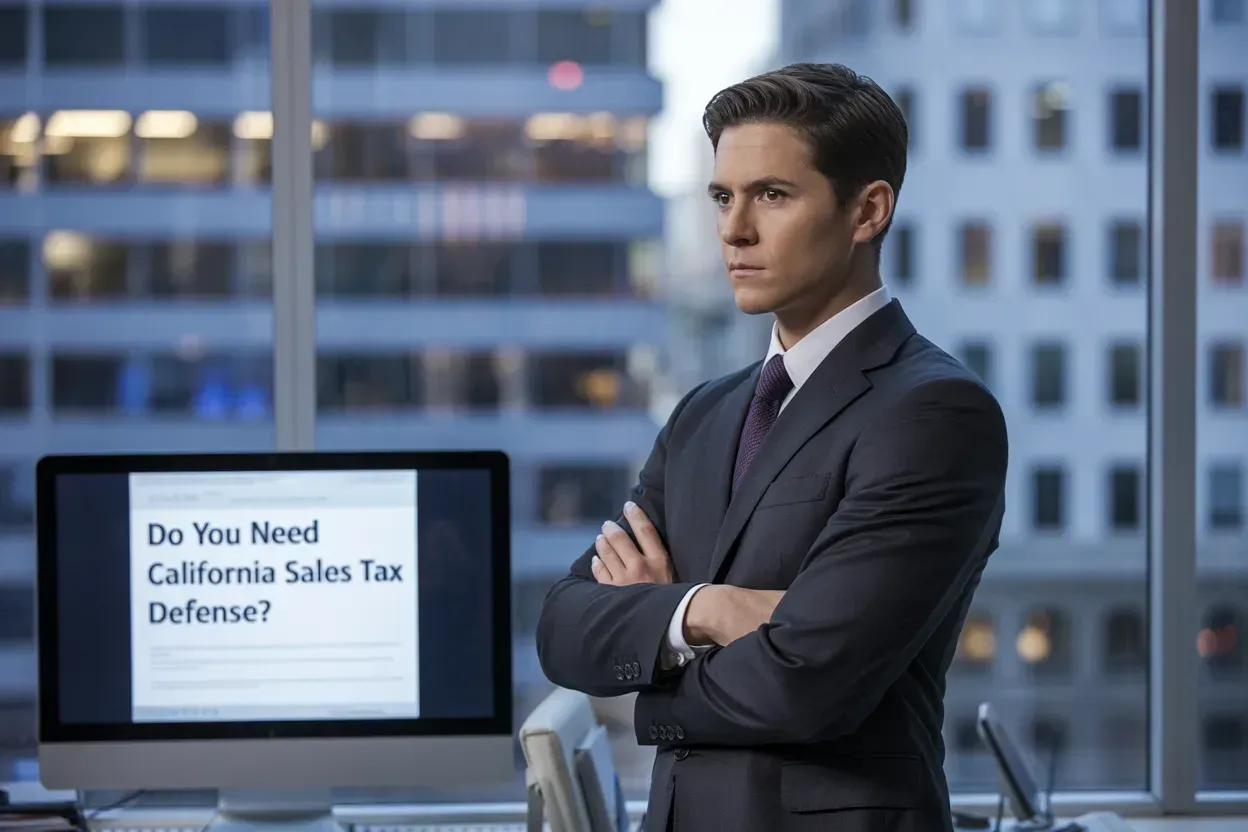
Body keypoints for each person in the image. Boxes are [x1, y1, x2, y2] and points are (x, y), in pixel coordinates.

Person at [535, 62, 1008, 832]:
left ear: (868, 211)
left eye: (773, 196)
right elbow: (562, 627)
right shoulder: (703, 414)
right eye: (723, 196)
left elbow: (809, 685)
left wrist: (650, 651)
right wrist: (706, 610)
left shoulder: (933, 412)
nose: (734, 229)